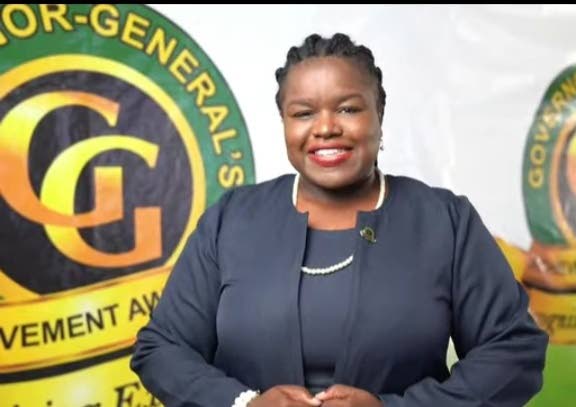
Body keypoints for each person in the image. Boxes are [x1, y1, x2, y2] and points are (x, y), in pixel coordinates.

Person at [131, 32, 548, 407]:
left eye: (348, 109)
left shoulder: (445, 221)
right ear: (284, 124)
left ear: (379, 115)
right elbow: (162, 348)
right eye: (303, 113)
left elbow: (513, 350)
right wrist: (244, 404)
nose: (326, 128)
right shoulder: (232, 220)